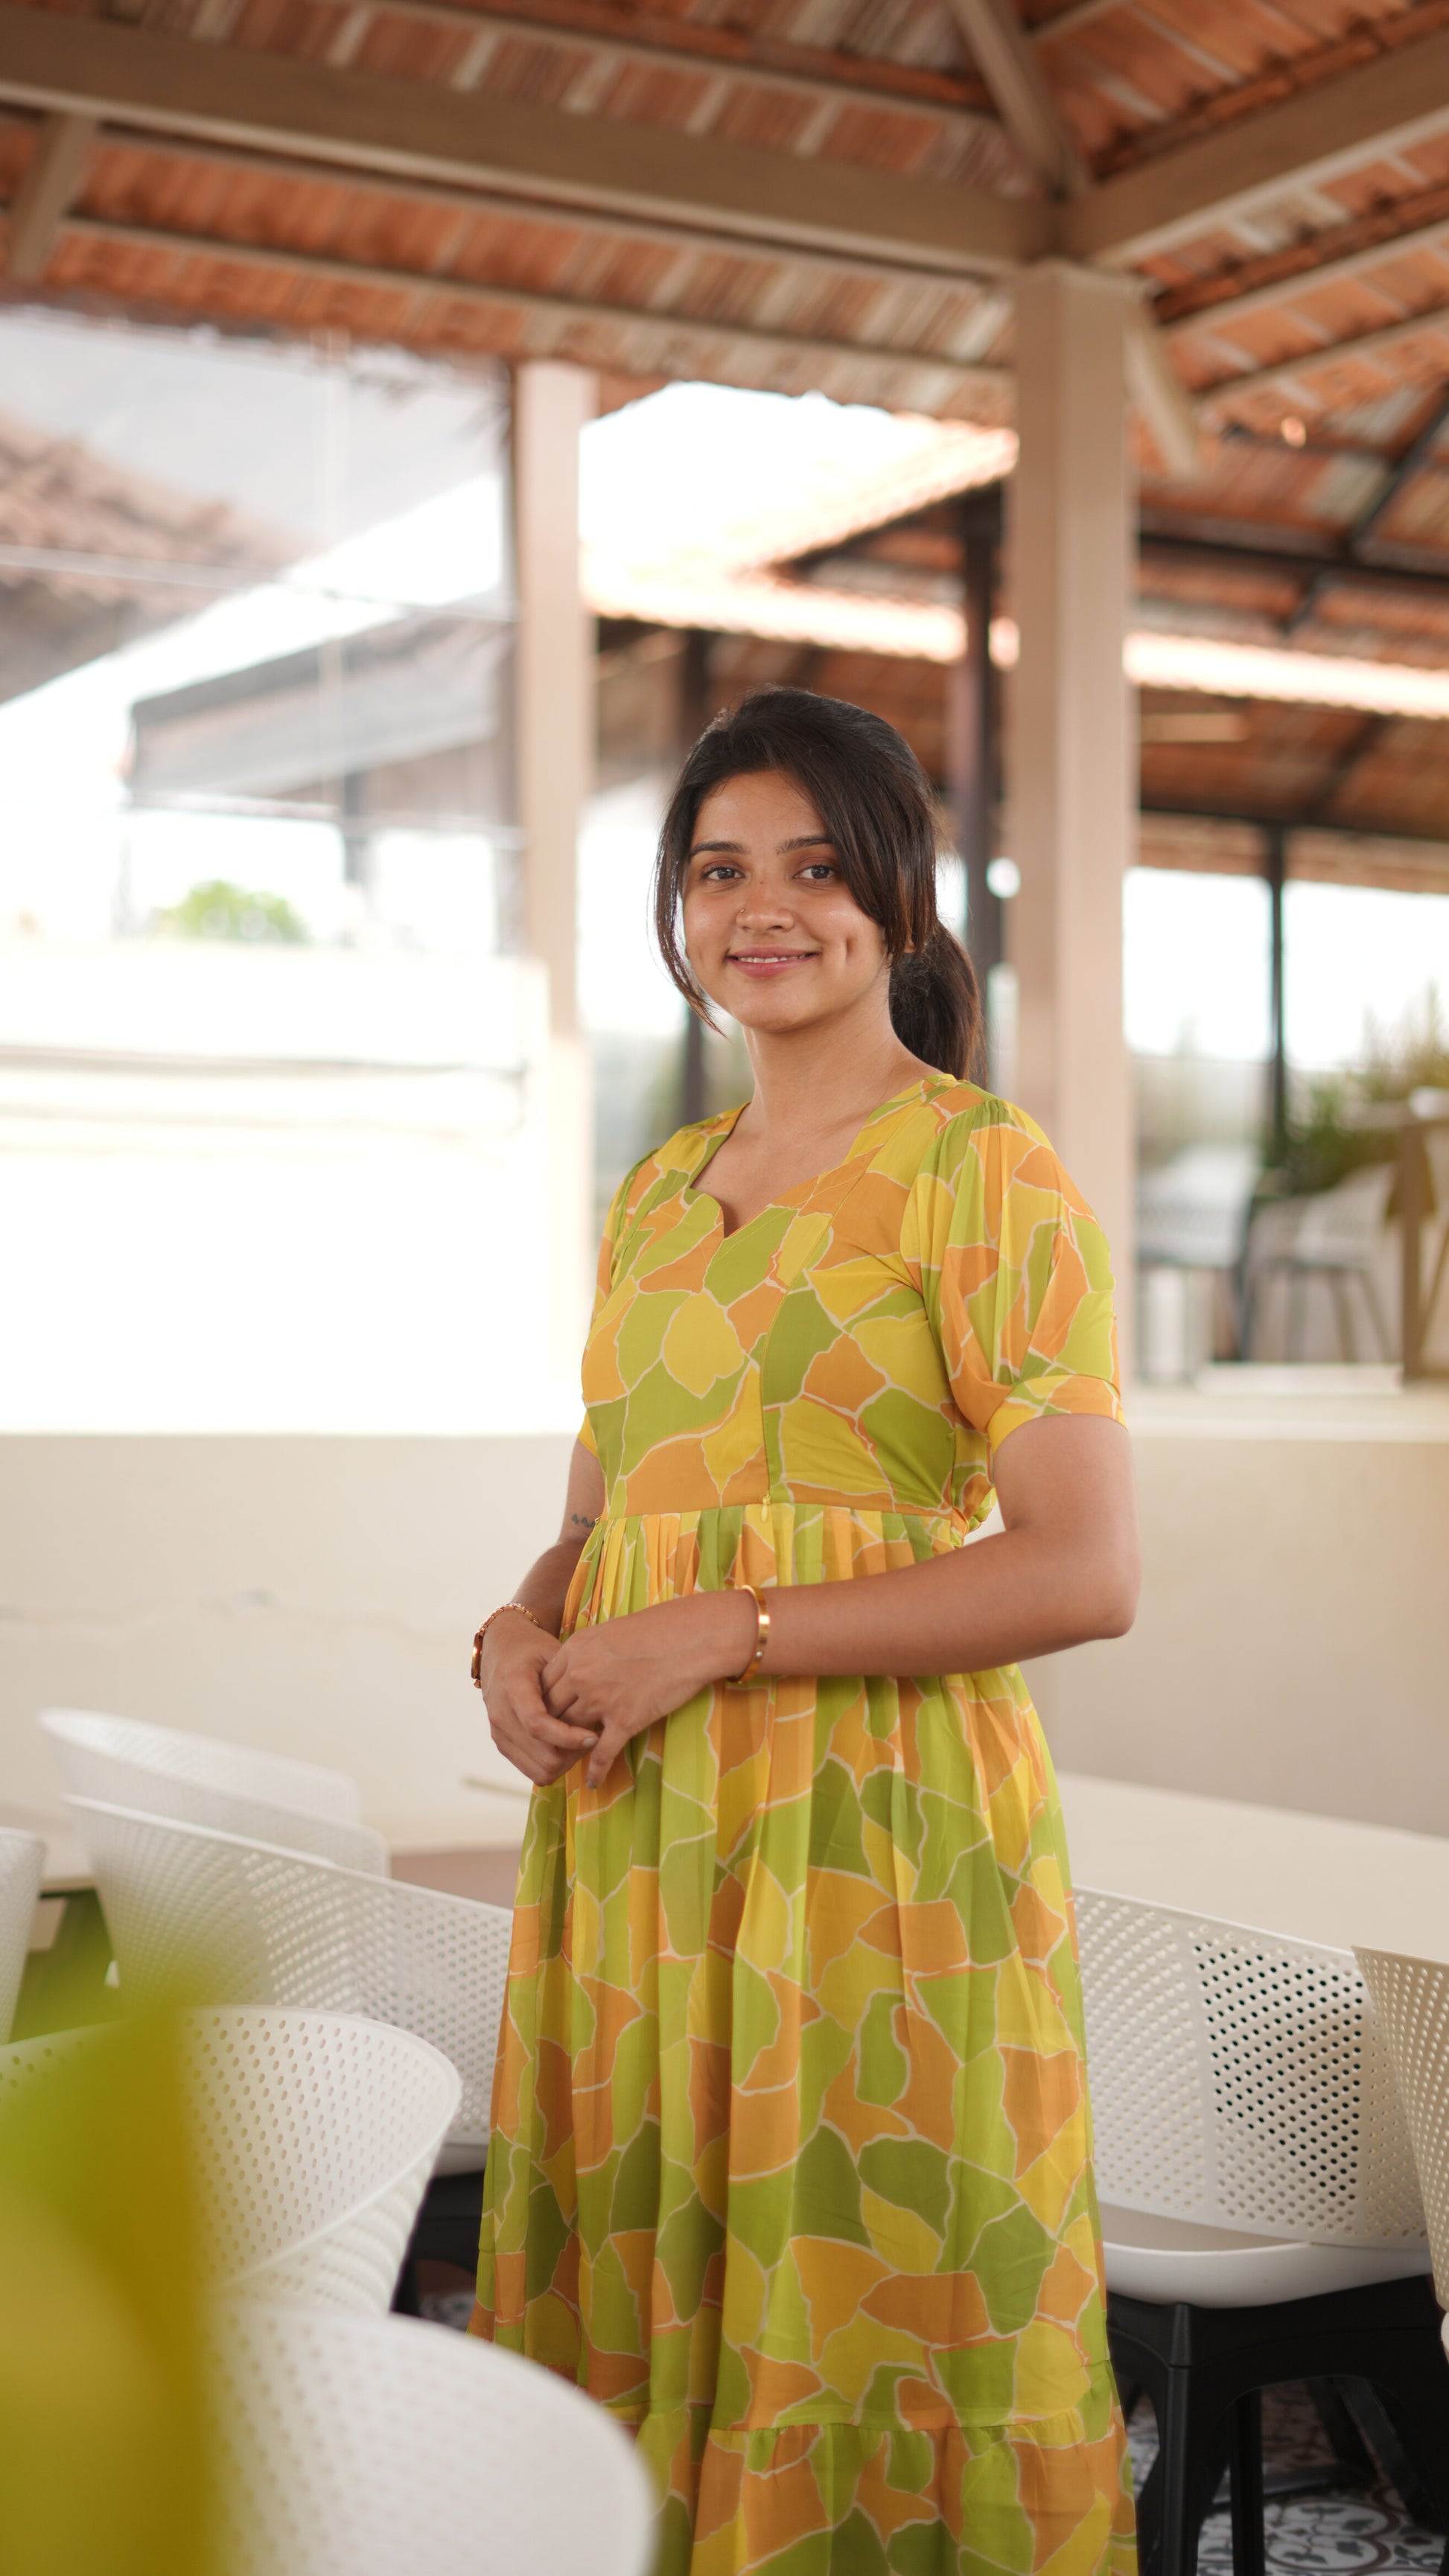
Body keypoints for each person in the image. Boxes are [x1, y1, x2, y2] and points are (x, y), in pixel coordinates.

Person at [470, 689, 1139, 2576]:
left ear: (898, 900)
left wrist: (731, 1629)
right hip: (639, 1850)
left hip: (872, 1848)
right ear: (676, 910)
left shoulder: (983, 1169)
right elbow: (600, 1521)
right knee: (652, 2293)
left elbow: (1085, 1568)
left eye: (815, 866)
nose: (761, 907)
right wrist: (511, 1634)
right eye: (716, 870)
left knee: (858, 2302)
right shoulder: (656, 1193)